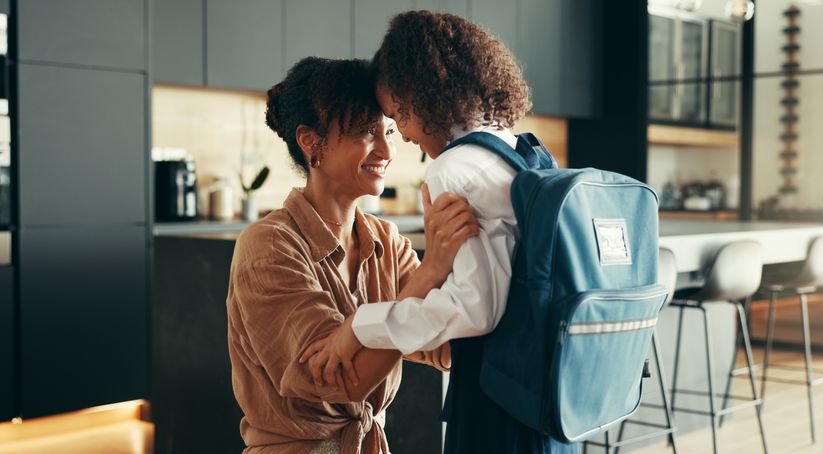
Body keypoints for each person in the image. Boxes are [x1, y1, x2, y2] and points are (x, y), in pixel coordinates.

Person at [301, 10, 580, 454]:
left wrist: (359, 325)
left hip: (501, 401)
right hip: (548, 392)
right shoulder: (515, 148)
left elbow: (475, 310)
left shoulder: (453, 168)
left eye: (399, 117)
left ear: (421, 97)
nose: (404, 139)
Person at [226, 56, 478, 454]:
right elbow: (341, 381)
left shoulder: (386, 240)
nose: (386, 150)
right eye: (365, 132)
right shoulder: (269, 246)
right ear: (312, 141)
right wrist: (432, 269)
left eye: (389, 131)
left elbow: (433, 340)